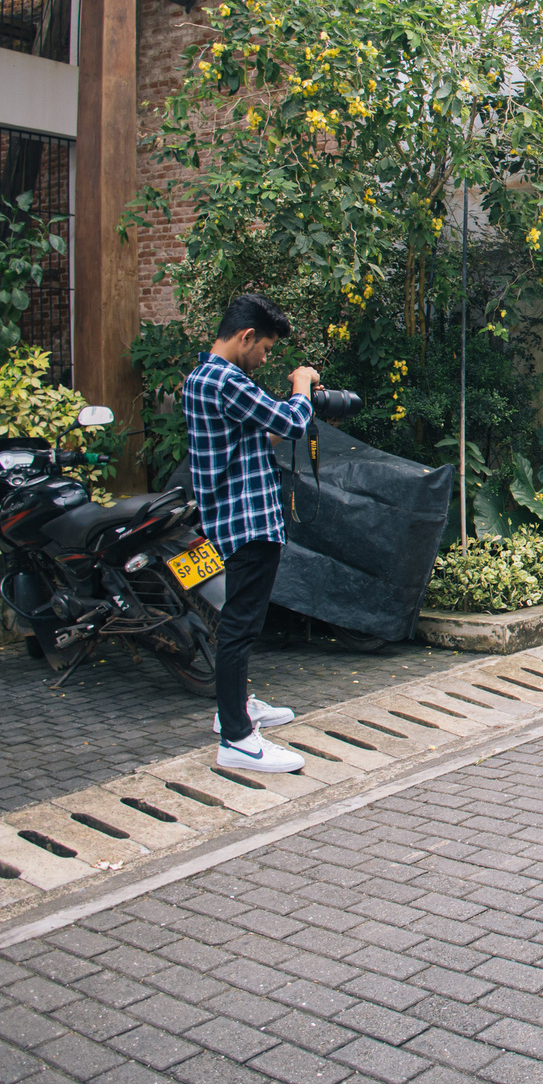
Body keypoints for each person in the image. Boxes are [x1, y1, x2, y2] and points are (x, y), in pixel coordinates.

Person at [182, 293, 319, 774]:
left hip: (230, 517)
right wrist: (302, 385)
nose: (265, 358)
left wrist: (293, 407)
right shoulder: (227, 380)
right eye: (265, 348)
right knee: (240, 629)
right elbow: (293, 422)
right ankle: (238, 739)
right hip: (249, 521)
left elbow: (255, 438)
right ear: (245, 337)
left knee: (239, 624)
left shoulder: (201, 378)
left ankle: (235, 709)